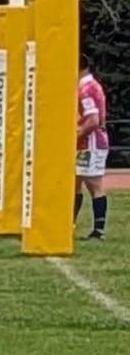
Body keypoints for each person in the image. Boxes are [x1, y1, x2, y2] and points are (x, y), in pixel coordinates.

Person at [77, 56, 110, 240]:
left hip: (91, 142)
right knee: (76, 182)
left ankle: (99, 230)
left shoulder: (86, 88)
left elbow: (93, 120)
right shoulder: (91, 85)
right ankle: (70, 225)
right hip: (88, 142)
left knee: (94, 185)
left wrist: (77, 134)